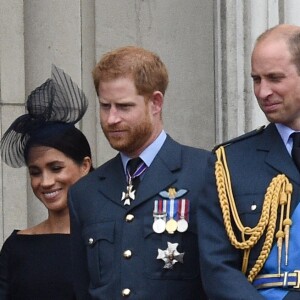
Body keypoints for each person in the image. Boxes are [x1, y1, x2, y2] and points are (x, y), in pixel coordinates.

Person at [68, 45, 209, 299]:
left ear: (155, 103)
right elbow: (82, 288)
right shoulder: (85, 192)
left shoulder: (205, 172)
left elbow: (221, 274)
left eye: (123, 107)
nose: (111, 119)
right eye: (105, 106)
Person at [198, 24, 300, 300]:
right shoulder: (229, 163)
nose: (263, 92)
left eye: (275, 78)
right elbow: (217, 266)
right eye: (257, 79)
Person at [0, 65, 93, 300]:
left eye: (56, 168)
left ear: (85, 166)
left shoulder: (103, 243)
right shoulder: (16, 247)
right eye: (35, 172)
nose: (46, 182)